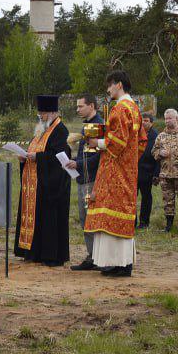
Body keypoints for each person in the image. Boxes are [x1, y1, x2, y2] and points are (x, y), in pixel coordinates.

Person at [83, 70, 142, 277]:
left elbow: (117, 142)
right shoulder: (134, 108)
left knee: (111, 213)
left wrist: (96, 142)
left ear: (118, 84)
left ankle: (118, 264)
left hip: (115, 171)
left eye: (109, 85)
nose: (108, 90)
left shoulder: (120, 109)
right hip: (127, 170)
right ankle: (122, 263)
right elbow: (140, 141)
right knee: (122, 213)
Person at [15, 94, 72, 267]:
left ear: (54, 112)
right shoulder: (41, 129)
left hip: (52, 184)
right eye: (39, 112)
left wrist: (37, 157)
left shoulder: (61, 130)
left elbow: (59, 157)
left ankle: (50, 255)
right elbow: (35, 149)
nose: (41, 116)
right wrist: (24, 157)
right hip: (35, 182)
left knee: (49, 219)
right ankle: (33, 252)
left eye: (44, 113)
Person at [68, 93, 104, 271]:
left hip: (91, 179)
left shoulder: (95, 125)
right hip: (84, 177)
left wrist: (77, 163)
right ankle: (93, 255)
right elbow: (87, 153)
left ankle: (95, 257)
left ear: (91, 106)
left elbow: (96, 157)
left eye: (80, 106)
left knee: (90, 219)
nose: (77, 109)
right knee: (85, 218)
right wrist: (73, 158)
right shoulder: (87, 125)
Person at [136, 112, 158, 229]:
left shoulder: (155, 136)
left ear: (151, 123)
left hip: (147, 172)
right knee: (131, 198)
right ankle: (131, 221)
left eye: (146, 121)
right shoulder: (135, 133)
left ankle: (144, 222)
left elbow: (158, 157)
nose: (144, 123)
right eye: (142, 121)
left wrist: (156, 174)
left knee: (146, 198)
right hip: (134, 171)